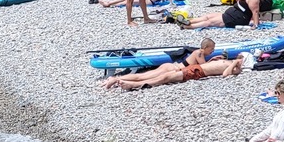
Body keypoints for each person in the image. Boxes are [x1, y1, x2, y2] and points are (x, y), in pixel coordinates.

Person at [103, 53, 243, 91]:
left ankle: (130, 84)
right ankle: (118, 80)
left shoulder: (236, 68)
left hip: (196, 73)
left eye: (242, 58)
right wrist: (213, 60)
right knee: (159, 75)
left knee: (165, 77)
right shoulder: (227, 61)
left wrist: (236, 63)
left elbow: (225, 74)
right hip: (193, 69)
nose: (239, 58)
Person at [179, 0, 262, 29]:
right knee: (208, 16)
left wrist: (255, 25)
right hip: (231, 15)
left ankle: (188, 26)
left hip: (235, 19)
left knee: (209, 22)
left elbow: (255, 12)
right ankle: (188, 21)